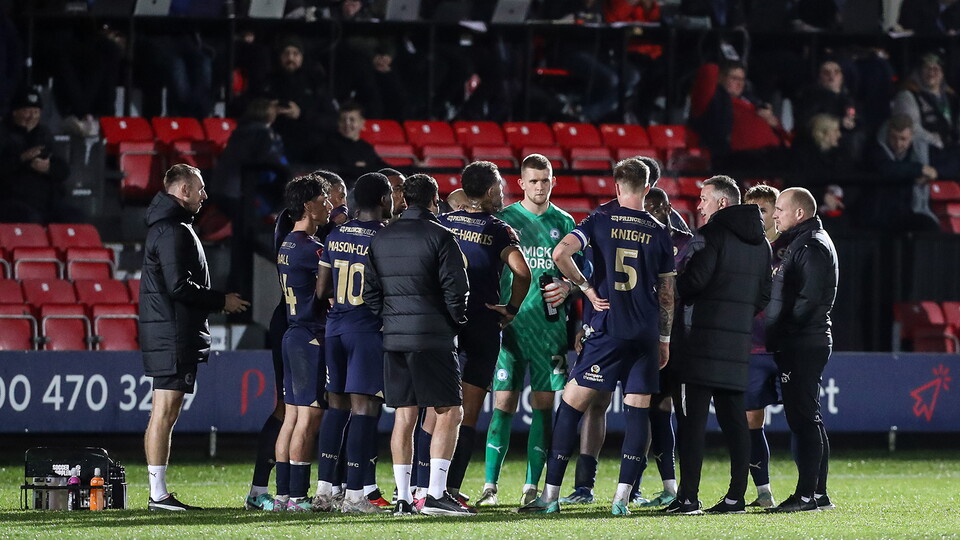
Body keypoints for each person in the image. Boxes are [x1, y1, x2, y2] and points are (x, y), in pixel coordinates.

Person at [518, 157, 676, 516]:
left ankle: (551, 496)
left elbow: (561, 253)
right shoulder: (659, 231)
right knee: (638, 413)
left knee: (571, 406)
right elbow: (667, 293)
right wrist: (664, 339)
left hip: (608, 329)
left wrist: (586, 288)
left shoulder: (600, 219)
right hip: (645, 334)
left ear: (617, 187)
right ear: (648, 188)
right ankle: (622, 500)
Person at [140, 164, 250, 511]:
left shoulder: (172, 227)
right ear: (183, 190)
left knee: (164, 411)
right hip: (172, 333)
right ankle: (158, 494)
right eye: (200, 189)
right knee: (165, 411)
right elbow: (178, 286)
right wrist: (222, 301)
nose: (205, 195)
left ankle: (158, 491)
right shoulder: (173, 230)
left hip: (169, 331)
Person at [362, 173, 472, 517]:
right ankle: (437, 495)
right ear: (434, 199)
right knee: (450, 411)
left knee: (404, 415)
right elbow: (457, 289)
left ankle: (404, 498)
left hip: (394, 338)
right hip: (432, 336)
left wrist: (392, 318)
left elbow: (370, 293)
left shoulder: (381, 238)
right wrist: (455, 321)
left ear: (404, 200)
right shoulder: (441, 236)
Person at [668, 175, 771, 515]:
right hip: (737, 345)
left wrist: (675, 282)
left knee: (691, 423)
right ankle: (735, 498)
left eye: (703, 199)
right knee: (735, 423)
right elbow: (763, 297)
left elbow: (694, 283)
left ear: (722, 203)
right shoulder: (762, 244)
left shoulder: (711, 235)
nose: (699, 205)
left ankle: (688, 498)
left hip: (699, 345)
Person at [477, 154, 576, 507]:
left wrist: (571, 288)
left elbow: (579, 276)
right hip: (511, 327)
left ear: (553, 181)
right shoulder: (504, 220)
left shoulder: (564, 222)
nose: (539, 186)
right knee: (502, 404)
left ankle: (532, 486)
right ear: (520, 183)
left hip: (550, 329)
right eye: (533, 180)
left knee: (543, 406)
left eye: (545, 180)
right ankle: (490, 486)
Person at [437, 161, 532, 507]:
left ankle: (425, 485)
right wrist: (512, 308)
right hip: (481, 324)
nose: (503, 194)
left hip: (443, 324)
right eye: (501, 188)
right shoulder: (498, 230)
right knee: (467, 411)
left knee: (436, 408)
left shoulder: (443, 222)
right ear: (491, 191)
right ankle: (449, 489)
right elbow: (522, 273)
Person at [314, 172, 393, 514]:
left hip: (335, 329)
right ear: (383, 199)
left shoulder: (335, 234)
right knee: (365, 409)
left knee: (336, 408)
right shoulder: (385, 237)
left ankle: (324, 491)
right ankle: (356, 496)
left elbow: (321, 290)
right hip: (365, 331)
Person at [766, 187, 839, 513]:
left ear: (799, 213)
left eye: (780, 208)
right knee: (809, 417)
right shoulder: (807, 241)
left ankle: (807, 495)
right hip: (806, 338)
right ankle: (817, 494)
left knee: (803, 418)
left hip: (803, 341)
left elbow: (808, 301)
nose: (776, 214)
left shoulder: (810, 245)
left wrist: (783, 330)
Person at [272, 173, 333, 512]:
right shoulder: (313, 249)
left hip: (293, 333)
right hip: (310, 335)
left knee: (293, 418)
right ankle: (297, 496)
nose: (329, 206)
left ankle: (283, 495)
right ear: (309, 205)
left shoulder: (288, 244)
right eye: (324, 200)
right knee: (308, 419)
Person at [244, 207, 295, 511]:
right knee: (288, 407)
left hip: (309, 325)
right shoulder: (298, 238)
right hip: (296, 325)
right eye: (329, 196)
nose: (334, 203)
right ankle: (263, 490)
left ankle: (338, 489)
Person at [742, 184, 786, 509]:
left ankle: (814, 492)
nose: (758, 217)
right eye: (752, 210)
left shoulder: (792, 248)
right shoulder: (742, 249)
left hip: (785, 348)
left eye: (764, 210)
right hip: (753, 348)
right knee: (751, 420)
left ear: (776, 213)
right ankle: (764, 492)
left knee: (803, 418)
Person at [260, 35, 338, 163]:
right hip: (275, 145)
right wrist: (268, 110)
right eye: (286, 53)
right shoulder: (269, 83)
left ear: (302, 57)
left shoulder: (316, 83)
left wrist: (301, 114)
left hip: (310, 149)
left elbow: (332, 121)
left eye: (295, 53)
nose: (290, 58)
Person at [0, 88, 71, 224]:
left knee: (73, 218)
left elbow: (64, 169)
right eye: (27, 111)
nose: (32, 116)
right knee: (30, 218)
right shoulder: (3, 133)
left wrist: (48, 168)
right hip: (12, 200)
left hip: (47, 201)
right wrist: (22, 159)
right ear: (15, 112)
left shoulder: (44, 134)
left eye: (36, 112)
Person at [862, 114, 941, 232]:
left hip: (911, 209)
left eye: (903, 139)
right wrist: (919, 170)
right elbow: (887, 169)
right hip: (880, 213)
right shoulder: (875, 148)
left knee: (930, 228)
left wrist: (935, 173)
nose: (898, 144)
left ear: (911, 137)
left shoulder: (920, 150)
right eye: (894, 138)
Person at [316, 102, 389, 185]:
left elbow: (380, 168)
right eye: (343, 120)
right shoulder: (329, 147)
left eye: (352, 120)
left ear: (362, 123)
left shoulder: (366, 148)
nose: (347, 124)